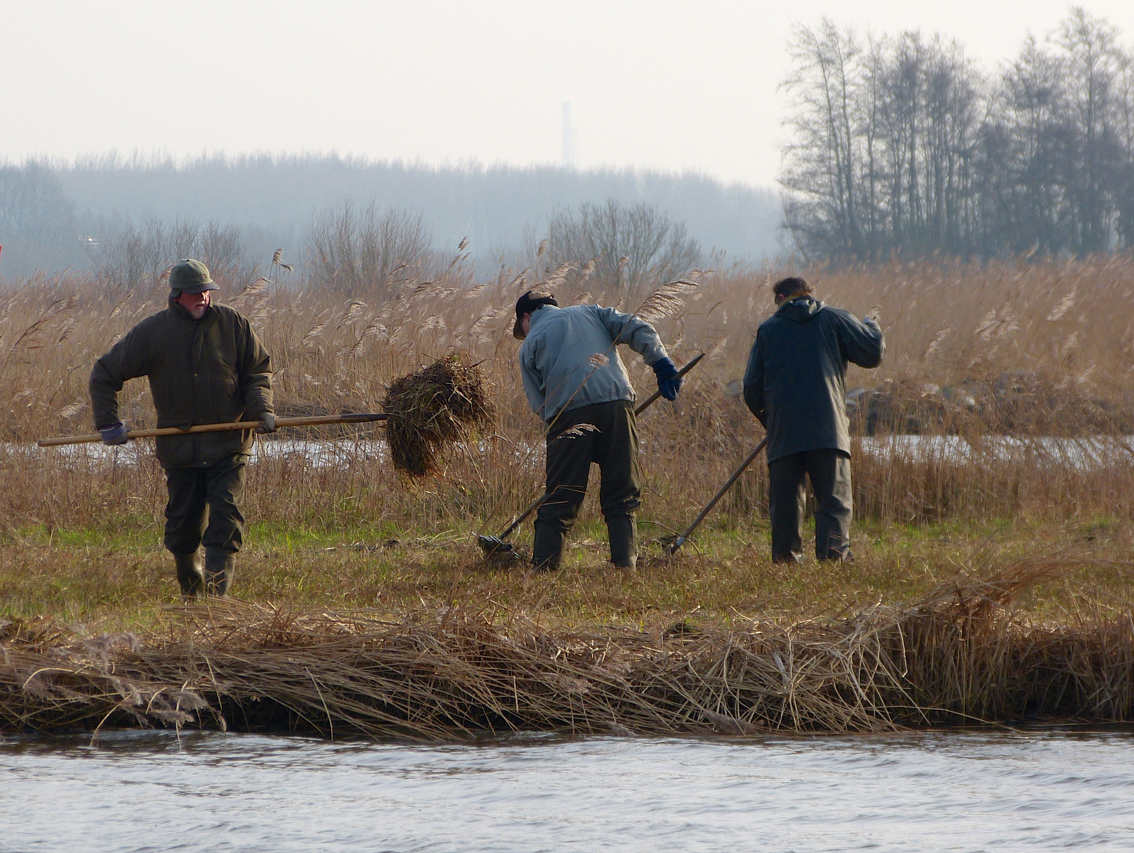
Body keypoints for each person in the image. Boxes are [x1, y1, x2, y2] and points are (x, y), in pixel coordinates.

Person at [89, 258, 275, 597]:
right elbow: (104, 374)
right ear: (177, 296)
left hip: (229, 444)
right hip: (180, 450)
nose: (202, 298)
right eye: (194, 293)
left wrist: (263, 409)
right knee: (183, 526)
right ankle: (191, 591)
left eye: (206, 291)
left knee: (225, 520)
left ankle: (216, 601)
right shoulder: (152, 332)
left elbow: (258, 371)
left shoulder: (233, 324)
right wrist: (108, 423)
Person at [514, 290, 683, 571]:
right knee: (622, 491)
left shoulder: (530, 342)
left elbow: (540, 404)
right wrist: (661, 364)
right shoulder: (591, 312)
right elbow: (638, 327)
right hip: (617, 407)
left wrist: (564, 435)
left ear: (526, 317)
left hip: (566, 415)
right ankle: (626, 565)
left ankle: (544, 567)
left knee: (561, 494)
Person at [743, 276, 884, 563]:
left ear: (781, 298)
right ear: (808, 294)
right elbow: (872, 353)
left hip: (784, 432)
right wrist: (872, 325)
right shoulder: (835, 319)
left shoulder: (767, 330)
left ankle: (786, 562)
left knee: (786, 505)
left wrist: (770, 421)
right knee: (834, 501)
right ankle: (834, 560)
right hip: (828, 430)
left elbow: (750, 388)